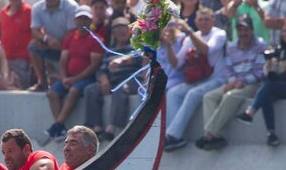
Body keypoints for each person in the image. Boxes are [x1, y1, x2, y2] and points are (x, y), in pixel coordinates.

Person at [237, 20, 286, 145]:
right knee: (266, 95)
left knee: (269, 87)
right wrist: (270, 64)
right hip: (280, 84)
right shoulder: (280, 50)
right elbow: (267, 73)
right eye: (284, 31)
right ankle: (271, 133)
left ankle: (250, 112)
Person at [195, 16, 266, 150]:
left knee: (230, 96)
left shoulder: (260, 45)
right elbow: (228, 69)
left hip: (252, 84)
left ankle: (209, 133)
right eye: (240, 30)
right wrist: (233, 82)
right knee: (209, 97)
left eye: (246, 30)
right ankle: (216, 136)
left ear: (252, 30)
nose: (243, 34)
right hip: (235, 83)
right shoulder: (232, 47)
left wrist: (242, 81)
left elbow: (260, 71)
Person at [163, 8, 227, 151]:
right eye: (200, 19)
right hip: (197, 80)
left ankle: (173, 136)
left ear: (213, 21)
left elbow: (206, 50)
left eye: (207, 19)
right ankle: (172, 134)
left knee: (193, 94)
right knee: (173, 93)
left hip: (217, 80)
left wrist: (189, 32)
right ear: (196, 21)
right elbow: (176, 64)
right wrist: (167, 44)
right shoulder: (191, 37)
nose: (203, 22)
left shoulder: (219, 34)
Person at [44, 6, 103, 142]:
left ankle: (57, 125)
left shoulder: (96, 39)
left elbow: (93, 66)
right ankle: (60, 126)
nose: (82, 22)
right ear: (75, 21)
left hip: (86, 78)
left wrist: (74, 79)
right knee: (52, 93)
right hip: (69, 77)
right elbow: (63, 60)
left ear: (90, 21)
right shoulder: (69, 38)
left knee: (74, 91)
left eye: (85, 19)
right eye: (80, 19)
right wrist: (64, 78)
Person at [84, 17, 148, 141]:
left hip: (132, 81)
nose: (120, 31)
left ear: (130, 30)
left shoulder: (137, 46)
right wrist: (103, 80)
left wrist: (121, 61)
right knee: (90, 89)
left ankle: (112, 128)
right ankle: (96, 127)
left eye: (123, 27)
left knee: (120, 89)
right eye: (117, 28)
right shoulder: (109, 50)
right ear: (113, 32)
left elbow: (138, 57)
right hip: (112, 81)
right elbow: (102, 70)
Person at [28, 0, 77, 91]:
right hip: (50, 44)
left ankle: (65, 79)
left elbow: (73, 32)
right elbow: (35, 30)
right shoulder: (37, 8)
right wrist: (47, 39)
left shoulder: (71, 7)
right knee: (33, 46)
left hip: (69, 46)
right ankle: (42, 82)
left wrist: (60, 43)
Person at [0, 0, 34, 88]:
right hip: (5, 60)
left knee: (17, 86)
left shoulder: (29, 11)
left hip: (22, 61)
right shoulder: (3, 12)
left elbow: (36, 34)